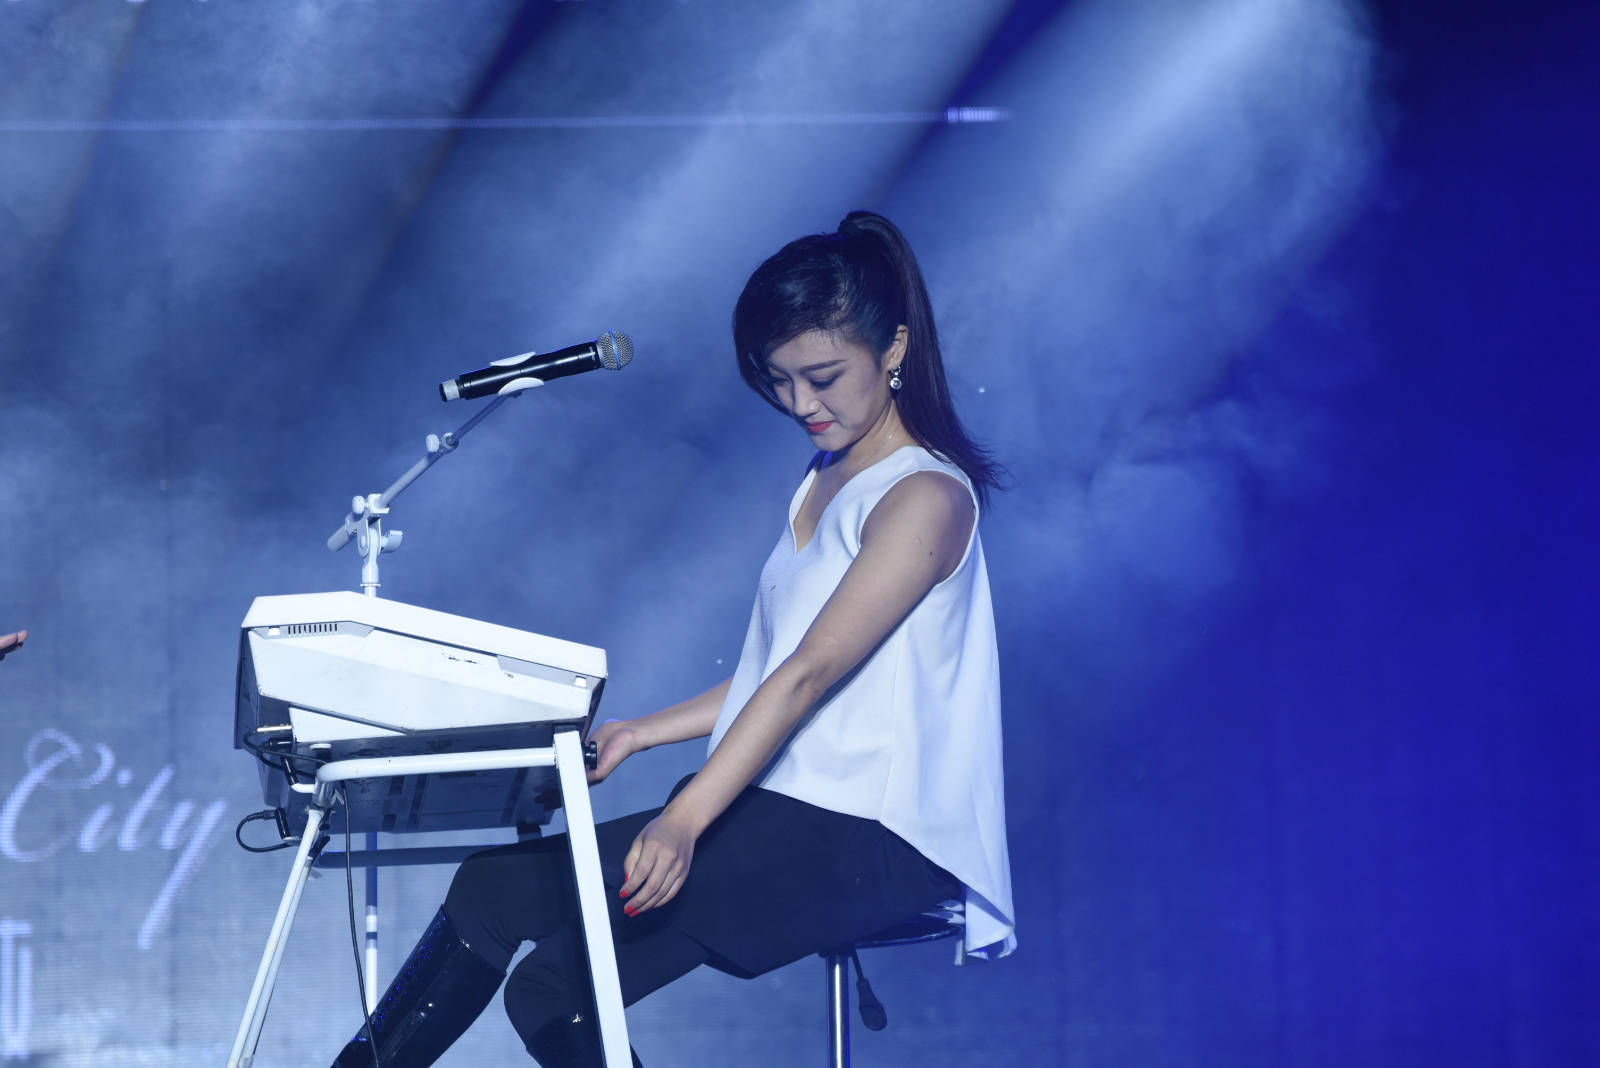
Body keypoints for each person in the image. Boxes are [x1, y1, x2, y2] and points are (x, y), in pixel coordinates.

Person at [330, 211, 1015, 1067]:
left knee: (539, 962)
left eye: (823, 378)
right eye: (778, 380)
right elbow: (773, 672)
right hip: (797, 809)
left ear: (894, 349)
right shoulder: (823, 480)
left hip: (876, 833)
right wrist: (641, 734)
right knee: (509, 920)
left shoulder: (925, 498)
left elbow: (807, 676)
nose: (800, 404)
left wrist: (685, 820)